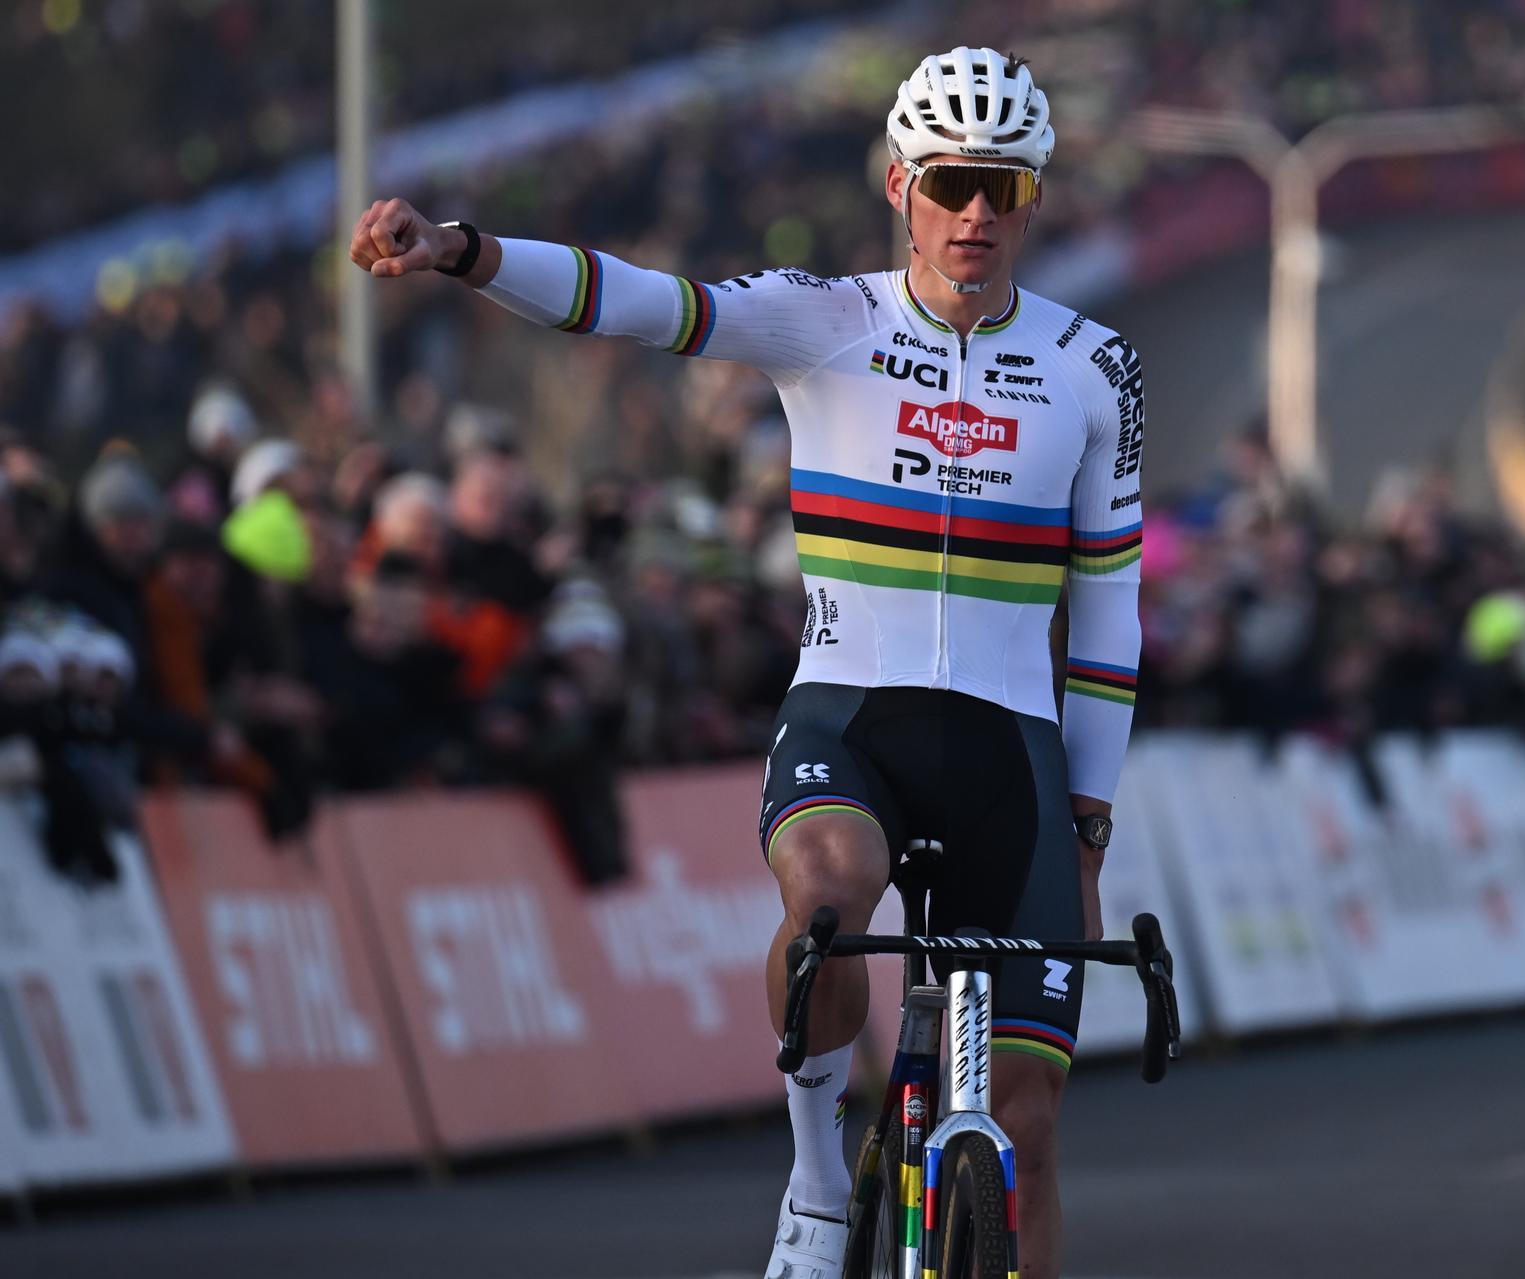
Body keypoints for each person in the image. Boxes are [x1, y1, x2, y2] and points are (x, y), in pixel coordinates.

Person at [350, 46, 1144, 1279]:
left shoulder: (1097, 368)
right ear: (899, 184)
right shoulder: (828, 320)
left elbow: (1108, 614)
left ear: (1035, 195)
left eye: (1004, 185)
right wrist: (463, 249)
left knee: (1029, 1136)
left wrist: (1087, 828)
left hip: (1012, 755)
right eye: (950, 182)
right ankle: (820, 1182)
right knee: (825, 910)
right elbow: (646, 302)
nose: (975, 212)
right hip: (852, 722)